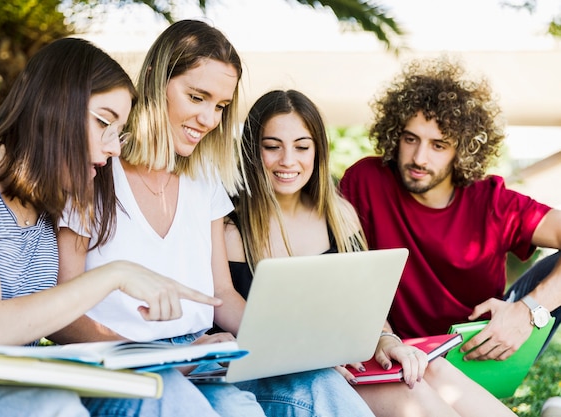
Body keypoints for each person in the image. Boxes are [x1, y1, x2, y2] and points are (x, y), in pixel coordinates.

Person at [52, 20, 376, 417]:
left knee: (320, 384)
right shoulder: (96, 168)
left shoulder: (203, 180)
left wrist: (296, 348)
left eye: (220, 106)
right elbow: (61, 314)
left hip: (205, 357)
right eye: (197, 97)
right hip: (123, 365)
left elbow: (222, 295)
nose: (209, 119)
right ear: (156, 79)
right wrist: (164, 358)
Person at [0, 37, 225, 417]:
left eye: (117, 130)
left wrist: (168, 355)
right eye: (103, 121)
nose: (114, 148)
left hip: (18, 380)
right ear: (54, 105)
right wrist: (116, 275)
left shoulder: (45, 198)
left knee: (162, 389)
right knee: (54, 406)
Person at [226, 88, 517, 417]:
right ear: (252, 150)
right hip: (280, 371)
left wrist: (387, 340)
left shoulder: (339, 215)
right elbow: (234, 320)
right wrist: (308, 356)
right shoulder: (233, 231)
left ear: (318, 151)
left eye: (302, 147)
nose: (288, 161)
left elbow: (363, 308)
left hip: (344, 359)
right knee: (412, 396)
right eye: (271, 147)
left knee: (426, 370)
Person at [339, 55, 561, 362]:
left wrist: (527, 311)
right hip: (395, 351)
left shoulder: (493, 203)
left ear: (462, 150)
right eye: (410, 139)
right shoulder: (366, 181)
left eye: (438, 145)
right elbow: (336, 267)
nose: (419, 158)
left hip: (480, 349)